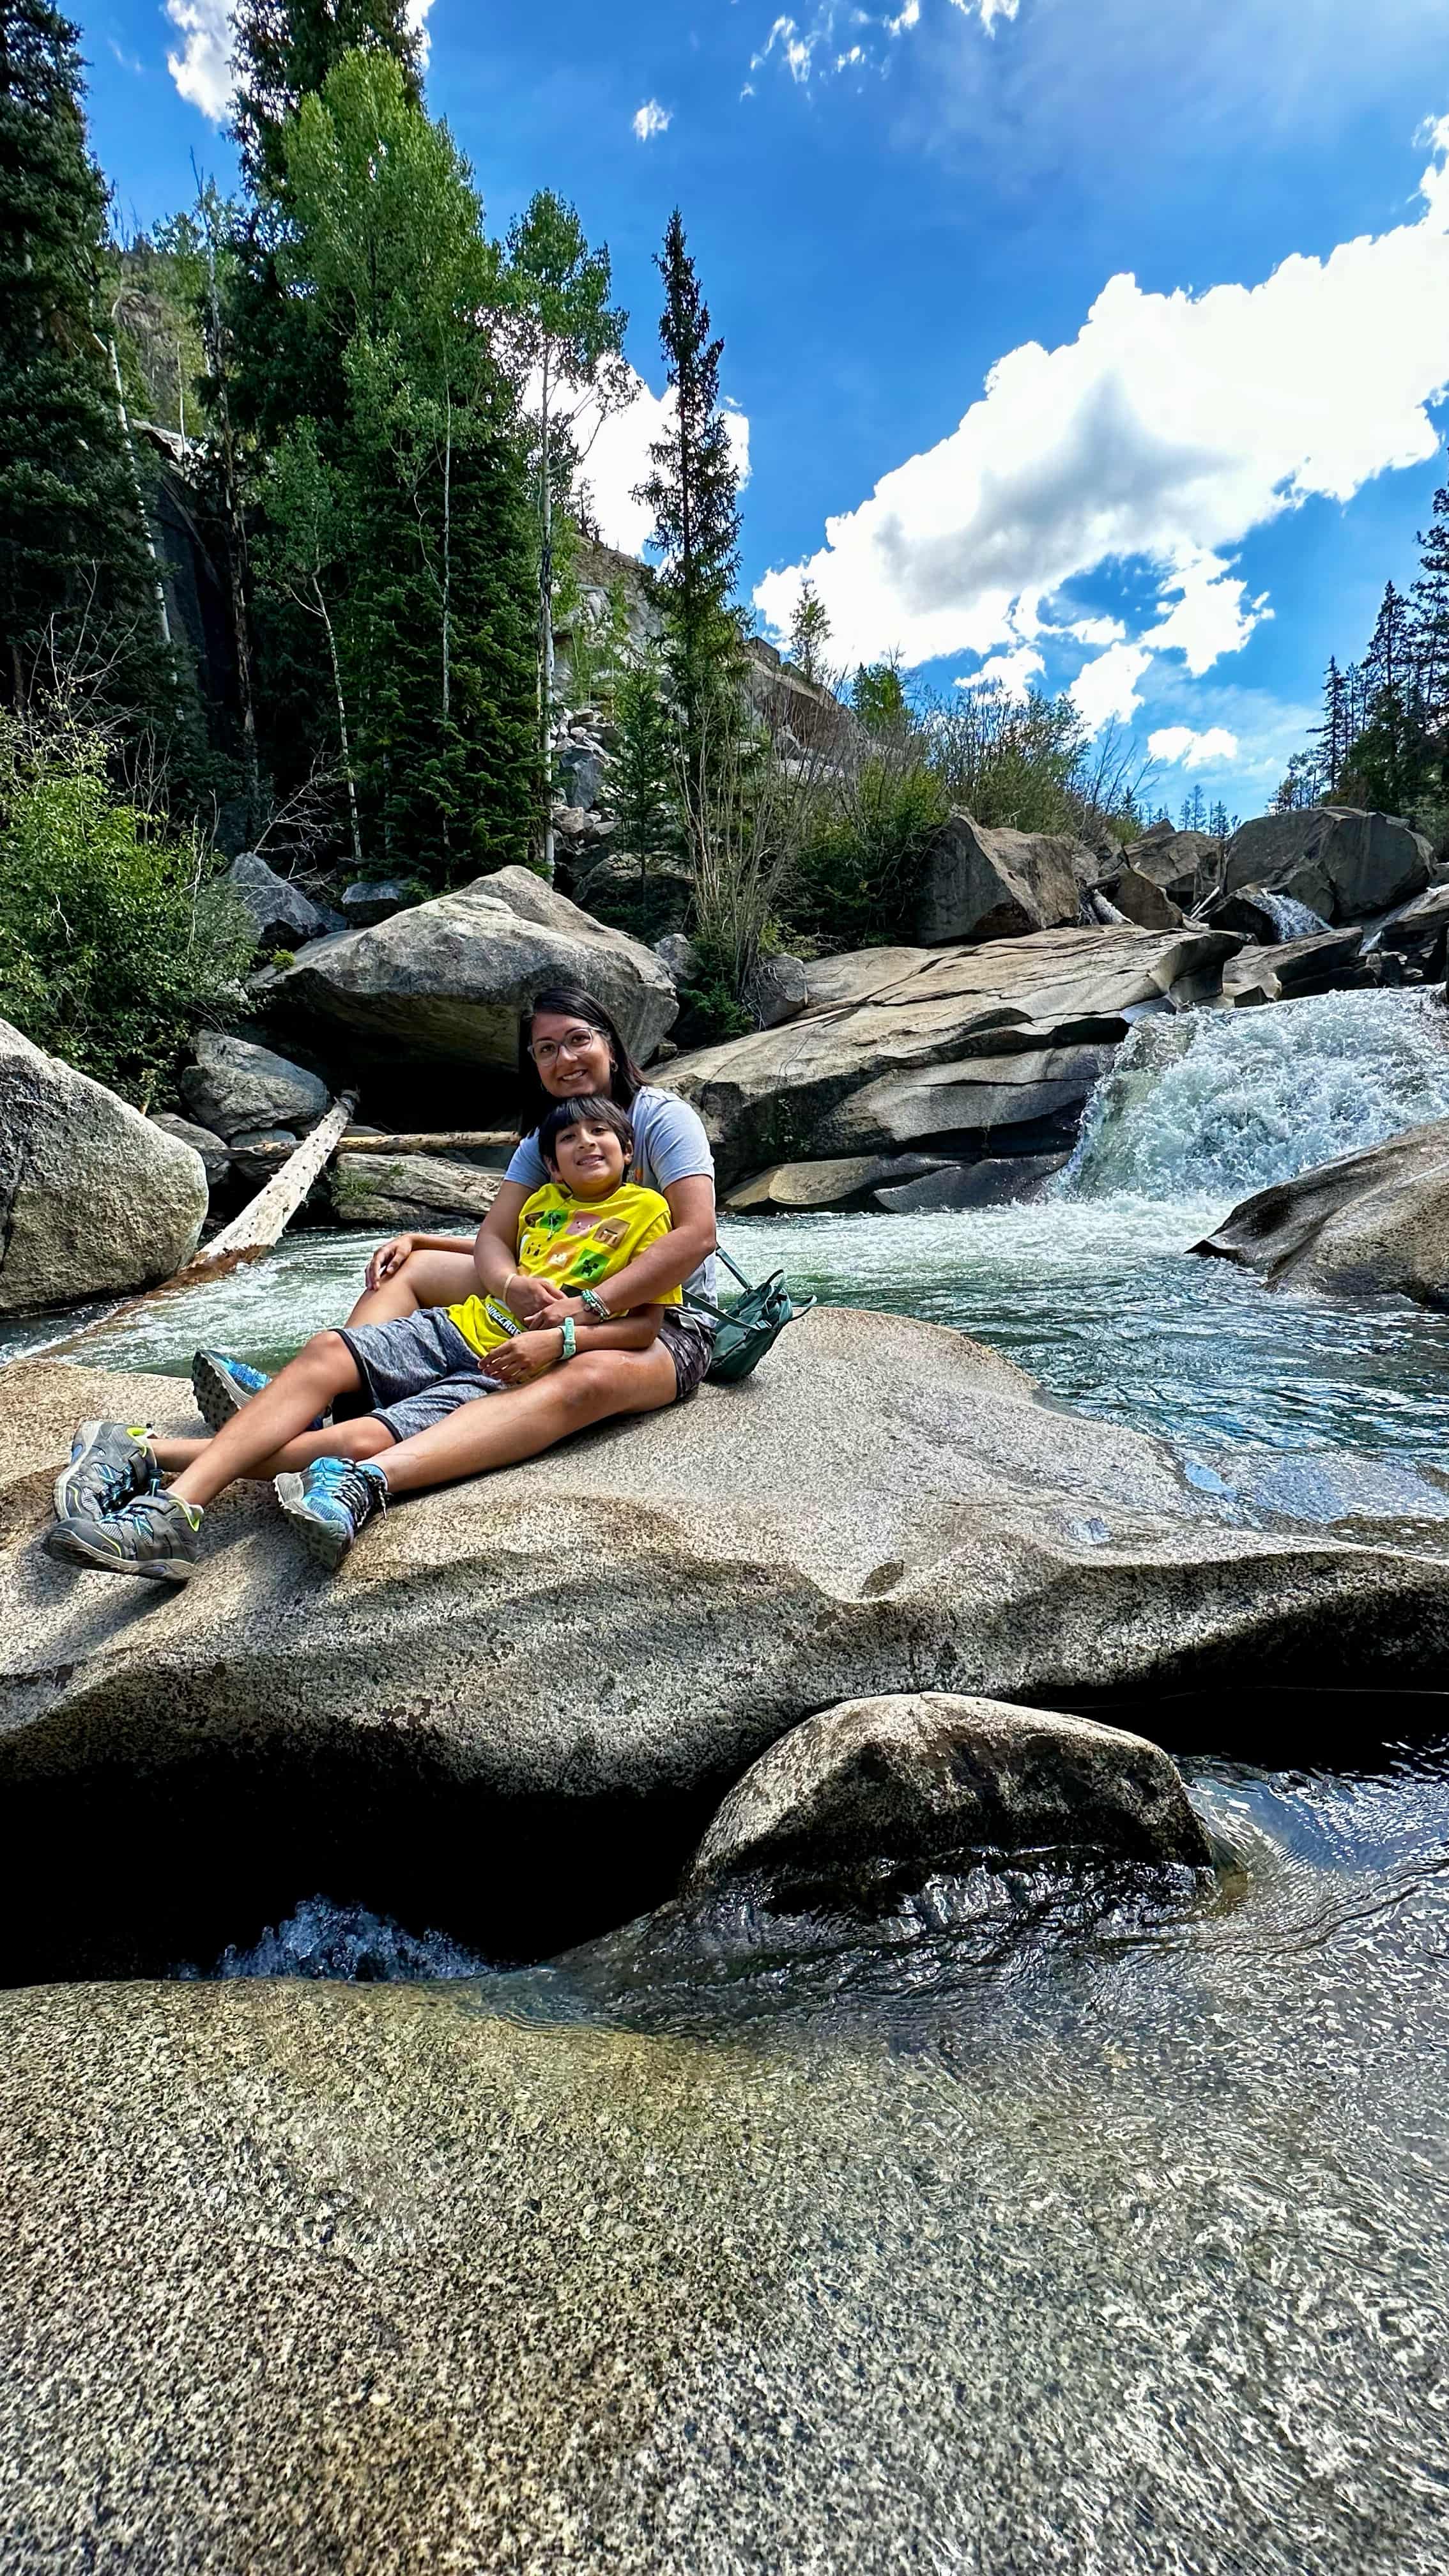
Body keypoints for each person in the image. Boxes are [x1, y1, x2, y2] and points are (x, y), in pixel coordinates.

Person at [48, 986, 717, 1575]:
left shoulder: (659, 1118)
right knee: (413, 1268)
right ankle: (327, 1402)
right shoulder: (547, 1136)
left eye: (578, 1040)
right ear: (533, 1066)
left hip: (656, 1322)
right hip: (533, 1306)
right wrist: (498, 1278)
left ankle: (210, 1448)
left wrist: (583, 1315)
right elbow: (510, 1237)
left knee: (581, 1378)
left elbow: (695, 1236)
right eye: (546, 1050)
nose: (565, 1060)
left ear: (611, 1044)